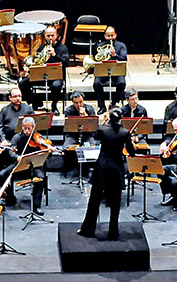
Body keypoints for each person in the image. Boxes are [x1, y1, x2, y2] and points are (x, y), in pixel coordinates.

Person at [78, 108, 136, 241]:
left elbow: (96, 136)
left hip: (102, 168)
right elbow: (131, 153)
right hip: (116, 169)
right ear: (121, 117)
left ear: (109, 117)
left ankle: (88, 229)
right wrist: (130, 141)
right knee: (115, 202)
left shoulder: (102, 129)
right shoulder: (125, 132)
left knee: (94, 200)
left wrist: (103, 122)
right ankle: (113, 233)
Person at [18, 25, 69, 114]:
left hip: (56, 77)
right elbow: (35, 62)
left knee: (56, 86)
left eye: (52, 36)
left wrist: (55, 55)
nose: (50, 38)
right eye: (48, 36)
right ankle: (36, 101)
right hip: (41, 76)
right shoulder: (42, 48)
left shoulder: (62, 48)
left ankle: (54, 106)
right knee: (22, 83)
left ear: (56, 36)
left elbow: (66, 63)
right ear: (45, 36)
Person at [10, 116, 50, 215]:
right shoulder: (17, 137)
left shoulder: (38, 138)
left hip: (35, 167)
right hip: (20, 167)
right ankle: (10, 198)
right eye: (25, 128)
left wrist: (48, 149)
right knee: (2, 175)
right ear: (22, 127)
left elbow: (47, 153)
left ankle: (37, 206)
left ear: (33, 128)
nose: (27, 131)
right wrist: (16, 156)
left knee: (40, 177)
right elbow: (11, 152)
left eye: (29, 128)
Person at [91, 26, 128, 112]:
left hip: (117, 71)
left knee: (122, 83)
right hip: (103, 71)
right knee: (97, 83)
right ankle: (102, 106)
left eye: (112, 35)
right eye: (108, 36)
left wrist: (115, 55)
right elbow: (95, 58)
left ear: (116, 35)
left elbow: (124, 59)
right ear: (105, 36)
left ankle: (114, 103)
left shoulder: (121, 46)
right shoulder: (99, 46)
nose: (110, 38)